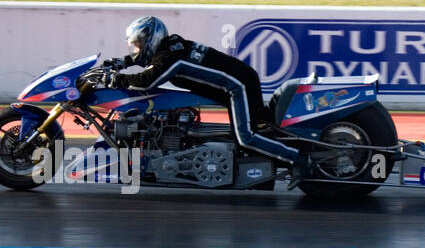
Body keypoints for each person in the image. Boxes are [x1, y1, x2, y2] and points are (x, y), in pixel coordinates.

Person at [105, 16, 307, 183]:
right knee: (259, 123)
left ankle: (298, 159)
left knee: (246, 136)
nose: (136, 50)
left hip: (238, 86)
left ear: (151, 39)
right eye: (135, 46)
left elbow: (147, 80)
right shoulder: (171, 46)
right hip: (238, 80)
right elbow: (151, 62)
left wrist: (116, 79)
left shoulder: (170, 58)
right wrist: (125, 61)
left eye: (138, 45)